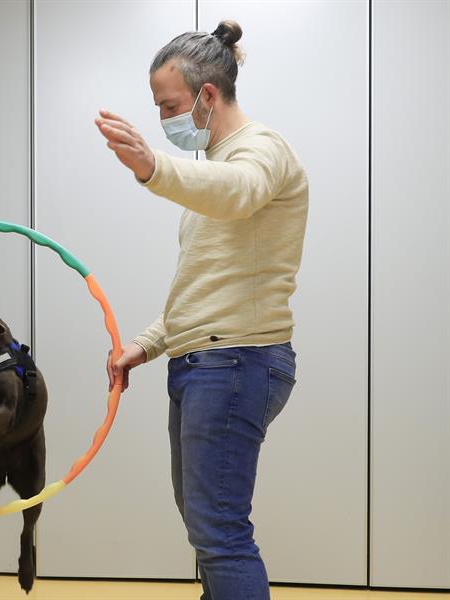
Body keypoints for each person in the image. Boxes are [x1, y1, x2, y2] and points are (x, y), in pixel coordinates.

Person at [96, 20, 308, 600]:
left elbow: (238, 191)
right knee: (206, 529)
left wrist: (151, 168)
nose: (164, 120)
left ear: (208, 96)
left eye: (169, 106)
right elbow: (203, 286)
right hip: (203, 364)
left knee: (219, 533)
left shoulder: (260, 152)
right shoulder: (213, 170)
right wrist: (145, 344)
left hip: (236, 362)